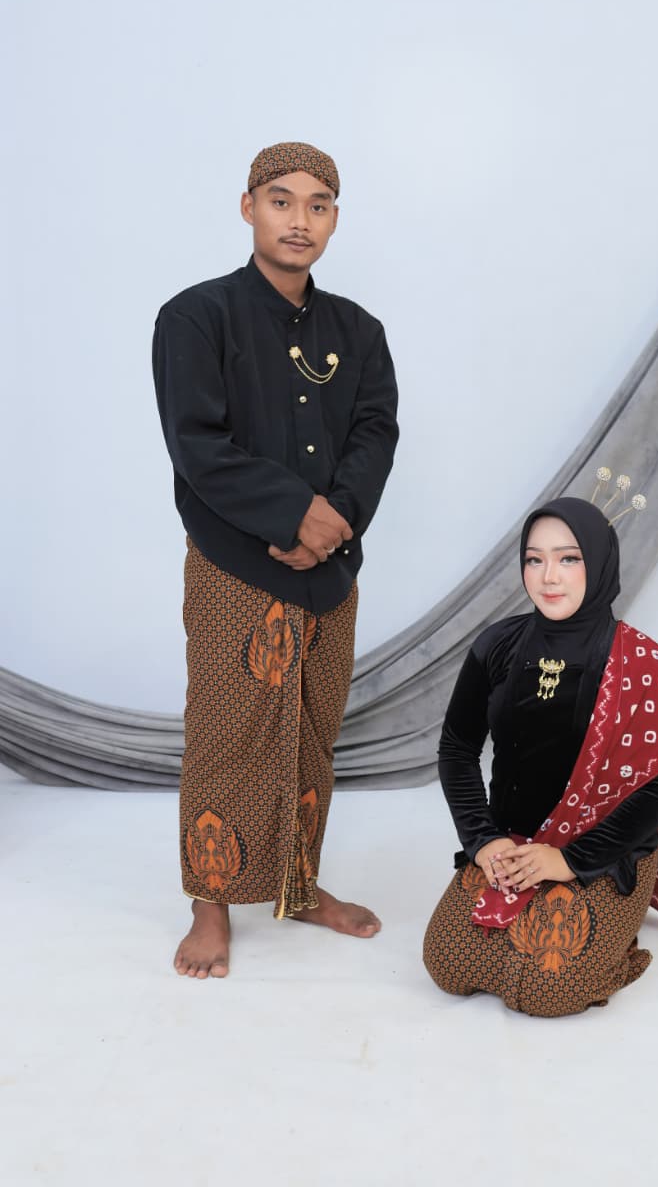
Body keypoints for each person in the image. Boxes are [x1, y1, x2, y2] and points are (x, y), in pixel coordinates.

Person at [153, 141, 399, 978]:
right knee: (227, 735)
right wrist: (294, 514)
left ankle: (300, 887)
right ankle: (211, 904)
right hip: (234, 563)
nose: (300, 220)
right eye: (282, 201)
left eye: (318, 205)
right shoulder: (196, 317)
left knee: (312, 733)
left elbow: (374, 434)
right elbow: (198, 444)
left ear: (334, 219)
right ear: (248, 207)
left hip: (330, 570)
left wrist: (333, 522)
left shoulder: (357, 331)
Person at [423, 496, 658, 1016]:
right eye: (535, 559)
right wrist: (483, 841)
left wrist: (569, 861)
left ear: (598, 564)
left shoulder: (642, 663)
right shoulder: (497, 645)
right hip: (511, 846)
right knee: (448, 964)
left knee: (550, 990)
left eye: (569, 558)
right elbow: (457, 748)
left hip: (603, 851)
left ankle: (617, 935)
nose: (548, 576)